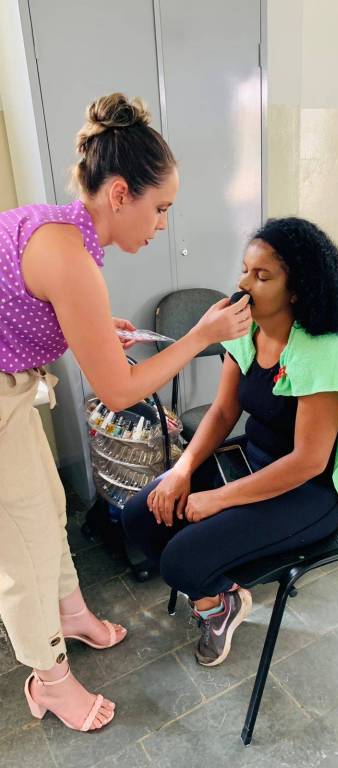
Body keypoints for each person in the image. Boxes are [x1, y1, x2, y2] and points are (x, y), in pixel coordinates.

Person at [0, 93, 252, 732]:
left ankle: (70, 614)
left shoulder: (61, 230)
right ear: (120, 194)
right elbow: (118, 392)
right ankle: (49, 680)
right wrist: (200, 335)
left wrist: (89, 326)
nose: (162, 224)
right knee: (21, 543)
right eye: (160, 208)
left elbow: (33, 303)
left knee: (46, 507)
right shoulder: (71, 257)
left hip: (12, 385)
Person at [122, 216, 338, 668]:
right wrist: (181, 469)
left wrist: (218, 499)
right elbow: (222, 412)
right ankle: (220, 599)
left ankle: (215, 600)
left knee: (180, 562)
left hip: (309, 491)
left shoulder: (324, 350)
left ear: (296, 289)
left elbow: (308, 462)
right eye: (244, 270)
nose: (243, 284)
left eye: (262, 275)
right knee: (141, 516)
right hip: (251, 459)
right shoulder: (248, 331)